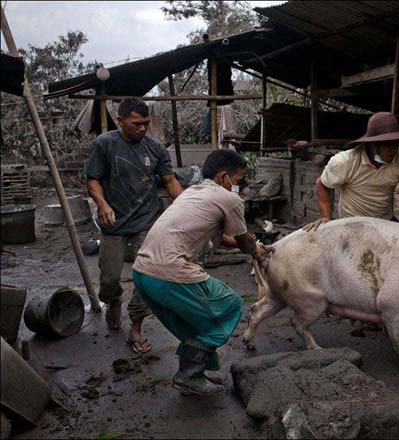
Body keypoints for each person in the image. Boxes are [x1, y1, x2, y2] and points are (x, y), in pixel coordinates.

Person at [132, 150, 269, 396]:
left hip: (143, 273)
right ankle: (188, 375)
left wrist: (249, 245)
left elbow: (225, 239)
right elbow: (243, 240)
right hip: (169, 273)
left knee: (195, 322)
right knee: (231, 306)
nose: (238, 186)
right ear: (222, 176)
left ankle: (193, 375)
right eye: (237, 180)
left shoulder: (191, 194)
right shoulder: (229, 199)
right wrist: (258, 252)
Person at [304, 111, 399, 349]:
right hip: (351, 225)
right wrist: (326, 217)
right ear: (373, 144)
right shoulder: (344, 161)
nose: (395, 148)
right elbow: (322, 186)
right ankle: (372, 316)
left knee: (395, 269)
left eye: (398, 142)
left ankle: (394, 315)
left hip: (384, 223)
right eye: (389, 144)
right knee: (362, 273)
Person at [86, 98, 183, 354]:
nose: (142, 128)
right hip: (114, 222)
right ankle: (114, 299)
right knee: (108, 279)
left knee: (147, 277)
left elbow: (170, 181)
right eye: (136, 123)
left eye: (146, 123)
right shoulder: (105, 144)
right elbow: (93, 180)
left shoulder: (155, 148)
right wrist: (102, 204)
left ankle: (136, 327)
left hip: (146, 221)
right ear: (120, 121)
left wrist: (186, 206)